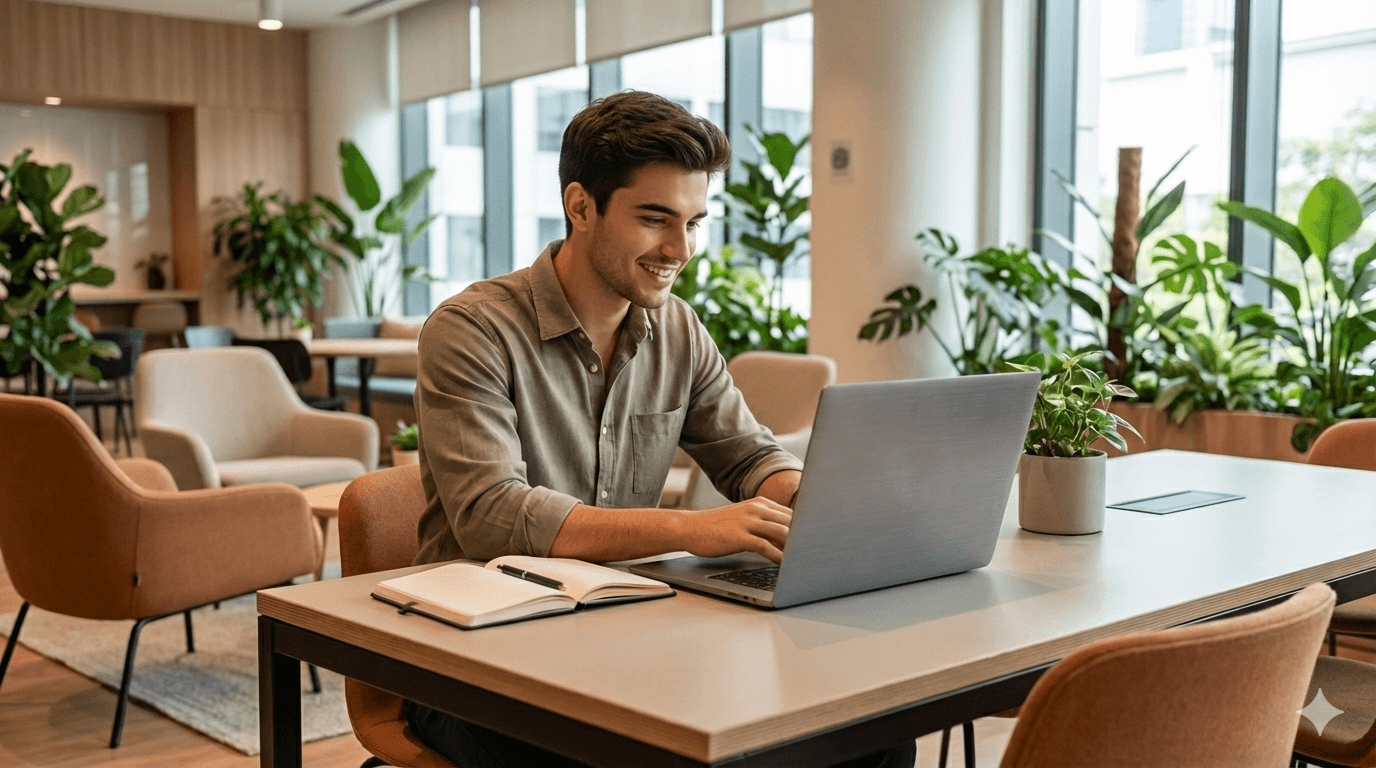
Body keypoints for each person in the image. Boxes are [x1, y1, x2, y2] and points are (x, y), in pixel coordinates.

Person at [407, 90, 915, 768]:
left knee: (869, 739)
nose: (680, 249)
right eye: (655, 219)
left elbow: (749, 455)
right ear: (581, 206)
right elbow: (491, 516)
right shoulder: (472, 330)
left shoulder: (677, 329)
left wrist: (827, 506)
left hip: (626, 634)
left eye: (695, 221)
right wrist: (691, 529)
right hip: (474, 660)